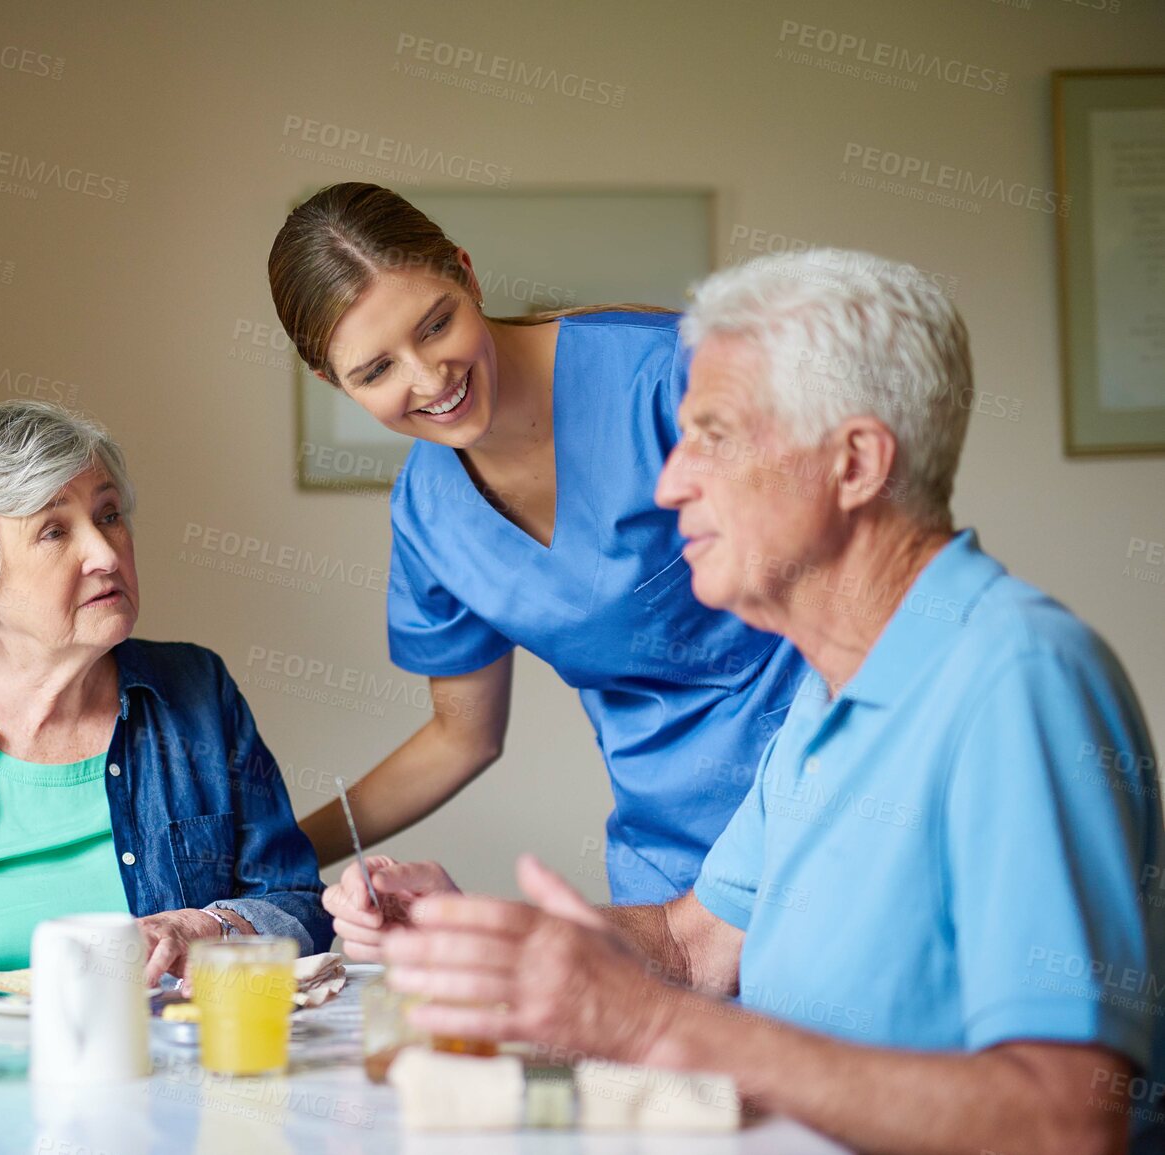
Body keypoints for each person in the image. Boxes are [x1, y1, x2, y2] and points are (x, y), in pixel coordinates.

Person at [347, 248, 1164, 1154]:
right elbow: (693, 943)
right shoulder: (827, 691)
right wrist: (489, 939)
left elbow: (1064, 1120)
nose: (667, 482)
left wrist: (657, 1029)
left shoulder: (1016, 679)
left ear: (854, 463)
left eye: (714, 437)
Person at [268, 183, 809, 903]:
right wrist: (273, 856)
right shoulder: (429, 513)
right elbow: (460, 736)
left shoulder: (672, 378)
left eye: (435, 325)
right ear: (331, 381)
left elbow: (867, 591)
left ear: (466, 273)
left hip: (833, 808)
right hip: (671, 867)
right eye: (375, 370)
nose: (430, 379)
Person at [0, 401, 330, 986]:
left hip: (162, 1061)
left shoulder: (199, 694)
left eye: (108, 515)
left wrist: (208, 927)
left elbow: (299, 903)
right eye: (54, 531)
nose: (105, 554)